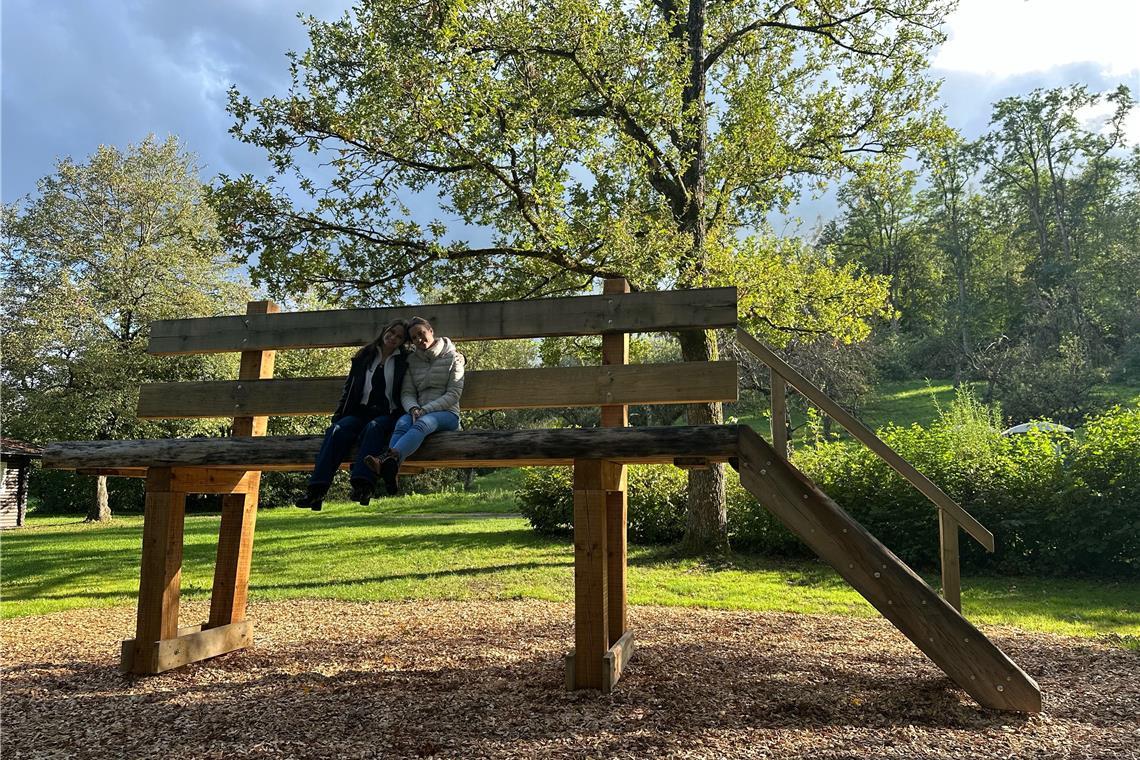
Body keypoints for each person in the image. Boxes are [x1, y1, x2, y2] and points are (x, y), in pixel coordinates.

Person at [294, 319, 410, 510]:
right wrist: (338, 415)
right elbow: (348, 390)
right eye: (392, 332)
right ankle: (316, 491)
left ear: (403, 341)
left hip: (387, 414)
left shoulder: (404, 359)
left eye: (399, 337)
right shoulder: (365, 355)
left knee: (373, 428)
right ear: (384, 330)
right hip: (359, 412)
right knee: (337, 430)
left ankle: (363, 486)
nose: (393, 338)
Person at [366, 316, 464, 495]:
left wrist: (425, 410)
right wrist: (413, 408)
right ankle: (391, 468)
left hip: (447, 414)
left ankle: (387, 460)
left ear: (431, 331)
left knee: (423, 423)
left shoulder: (454, 358)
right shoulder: (412, 361)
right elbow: (407, 392)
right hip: (417, 411)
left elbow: (453, 395)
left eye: (422, 334)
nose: (419, 340)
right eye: (414, 338)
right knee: (402, 423)